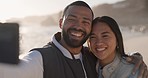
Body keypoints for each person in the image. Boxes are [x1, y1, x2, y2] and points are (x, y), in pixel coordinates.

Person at [0, 1, 147, 78]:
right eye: (72, 19)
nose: (78, 26)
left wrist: (133, 58)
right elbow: (16, 70)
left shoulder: (91, 56)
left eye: (85, 21)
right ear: (60, 23)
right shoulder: (41, 58)